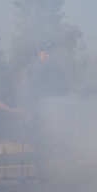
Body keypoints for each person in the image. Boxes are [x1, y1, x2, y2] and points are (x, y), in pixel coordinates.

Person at [21, 41, 68, 182]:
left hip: (54, 111)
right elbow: (26, 92)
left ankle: (60, 173)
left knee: (53, 143)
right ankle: (42, 175)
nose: (48, 56)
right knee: (40, 144)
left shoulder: (57, 70)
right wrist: (27, 110)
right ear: (39, 53)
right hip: (36, 112)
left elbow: (63, 90)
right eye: (45, 53)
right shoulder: (30, 70)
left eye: (50, 53)